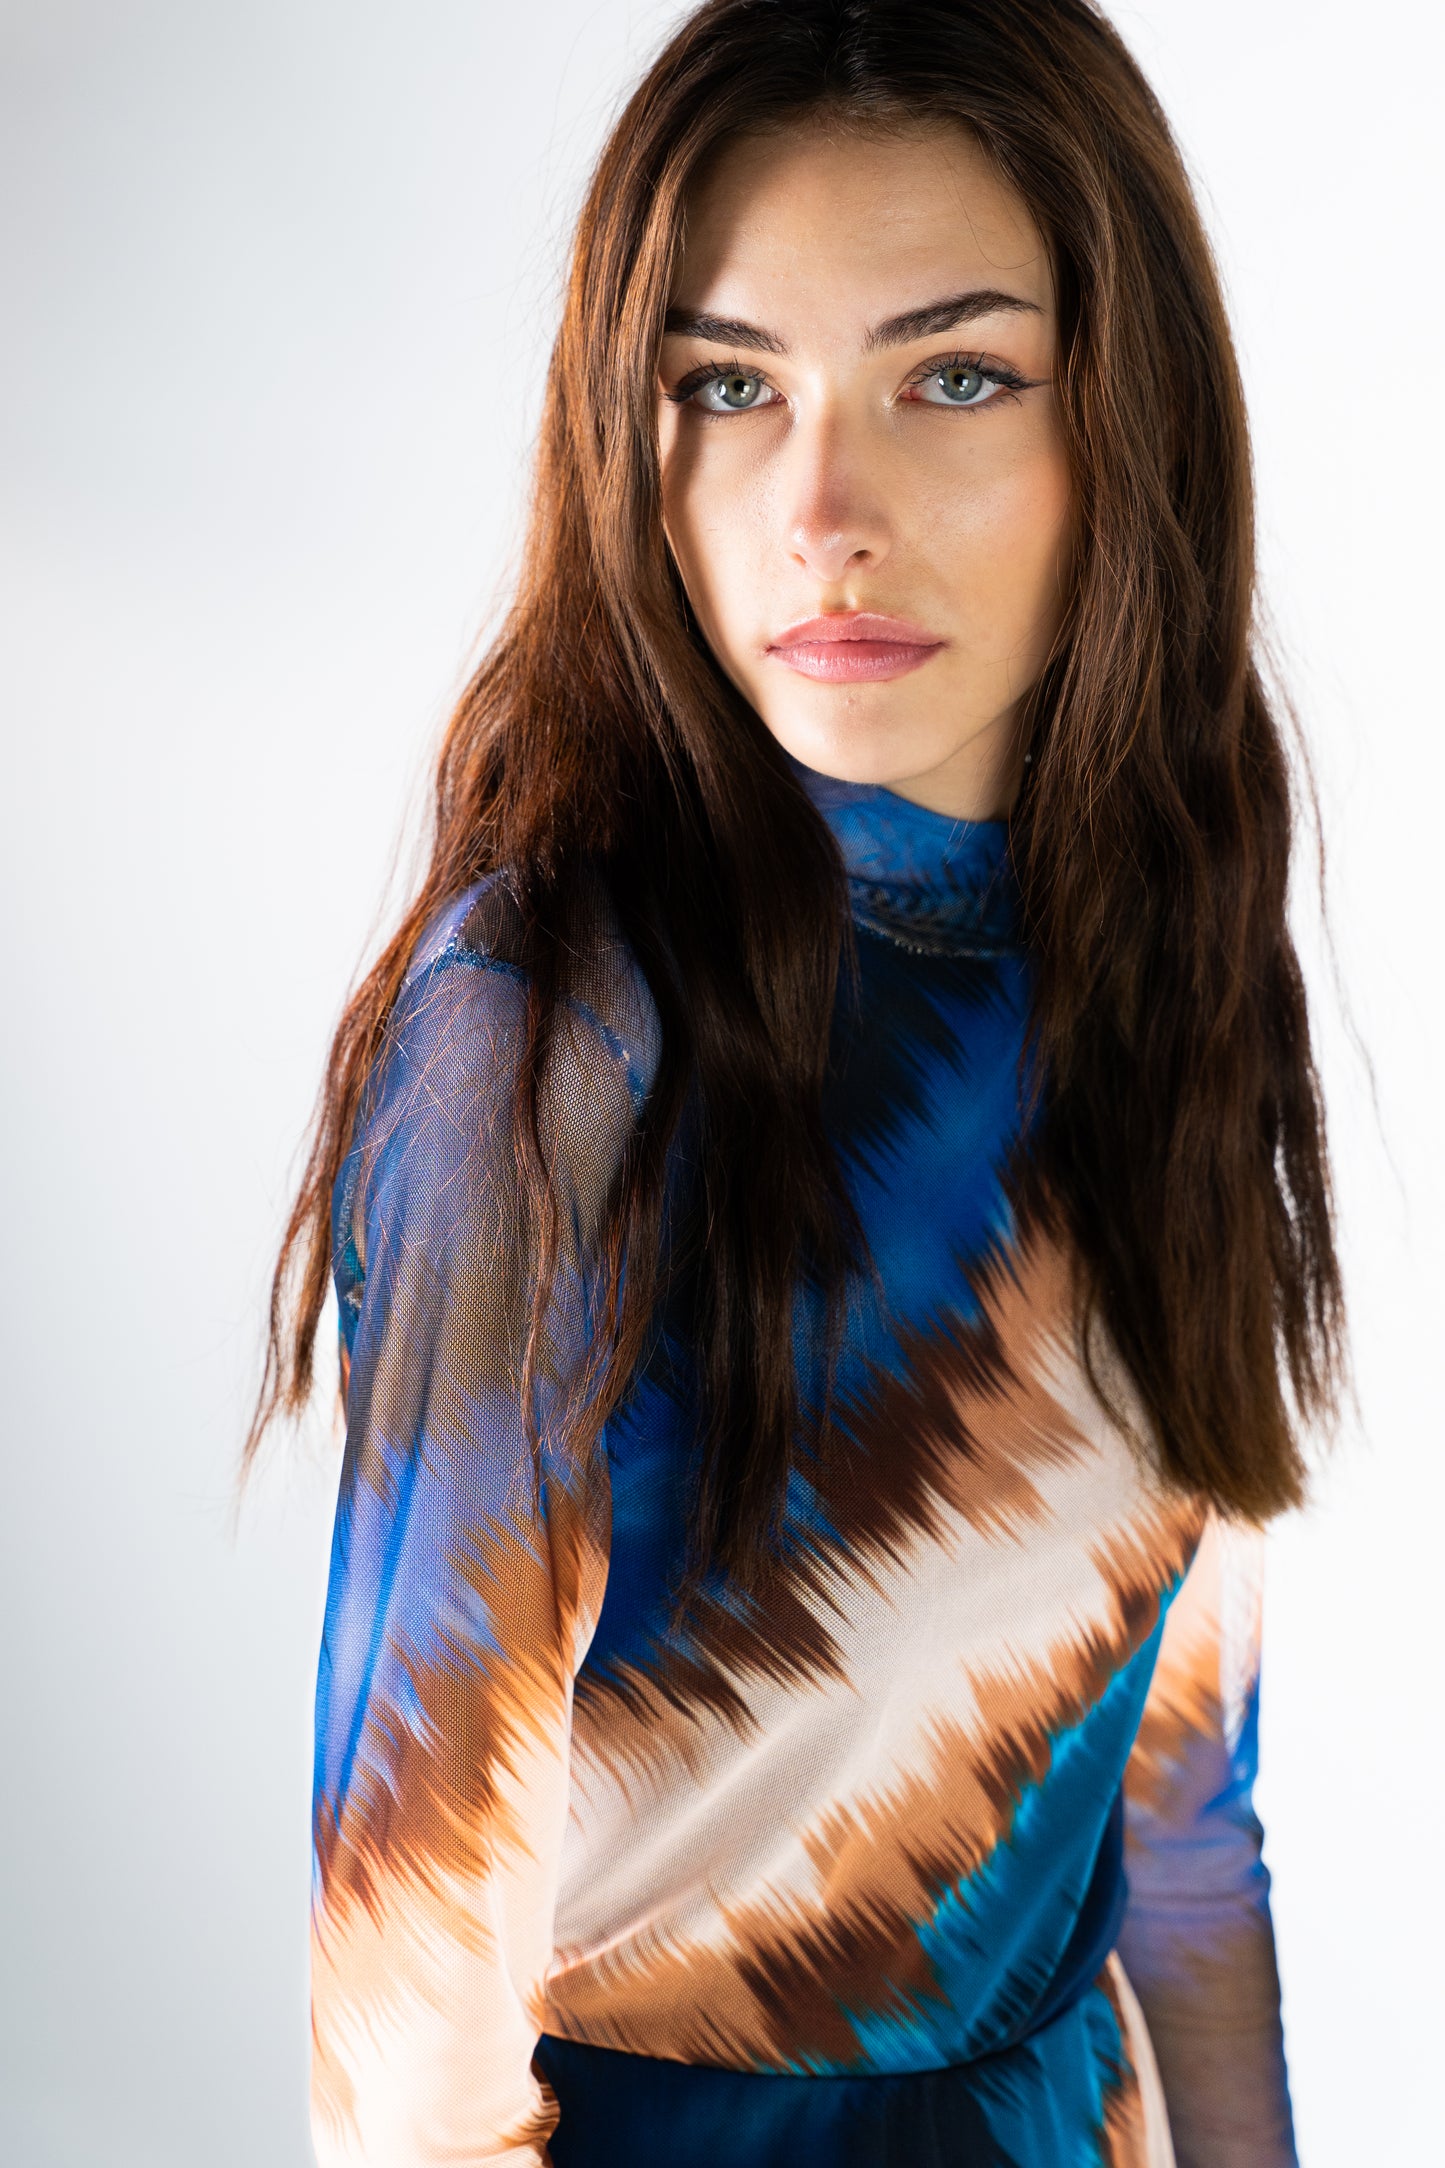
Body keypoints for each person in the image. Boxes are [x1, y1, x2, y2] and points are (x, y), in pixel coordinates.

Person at [251, 2, 1343, 2162]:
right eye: (726, 386)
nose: (821, 510)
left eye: (955, 376)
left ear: (1128, 426)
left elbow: (1179, 1816)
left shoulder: (1166, 961)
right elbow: (409, 1999)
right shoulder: (549, 1038)